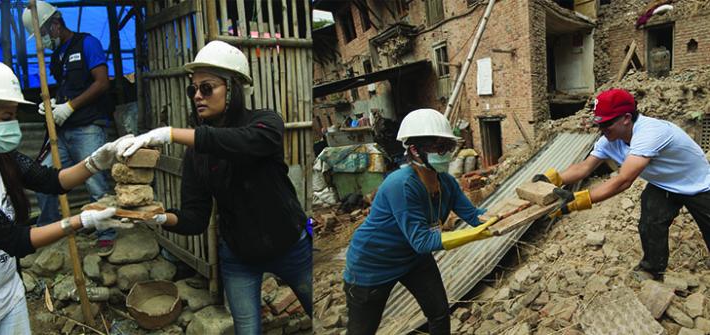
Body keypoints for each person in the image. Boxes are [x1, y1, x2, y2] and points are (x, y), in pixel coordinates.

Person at [115, 40, 312, 334]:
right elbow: (195, 218)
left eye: (206, 88)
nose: (197, 96)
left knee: (316, 309)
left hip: (289, 244)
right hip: (238, 255)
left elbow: (244, 142)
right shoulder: (197, 152)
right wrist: (158, 217)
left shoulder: (265, 123)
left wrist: (169, 133)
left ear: (232, 89)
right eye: (192, 89)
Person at [0, 59, 132, 334]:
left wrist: (96, 161)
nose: (15, 125)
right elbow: (15, 240)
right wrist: (82, 221)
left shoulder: (1, 157)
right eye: (6, 117)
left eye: (14, 115)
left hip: (10, 293)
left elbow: (53, 180)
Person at [534, 88, 710, 280]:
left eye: (607, 124)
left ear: (626, 118)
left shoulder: (650, 133)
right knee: (650, 222)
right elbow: (584, 167)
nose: (602, 130)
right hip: (664, 184)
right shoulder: (610, 139)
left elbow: (623, 181)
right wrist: (551, 179)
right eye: (599, 124)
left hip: (698, 185)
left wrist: (576, 201)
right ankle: (652, 269)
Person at [342, 108, 490, 335]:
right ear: (414, 150)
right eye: (439, 148)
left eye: (449, 147)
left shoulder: (447, 183)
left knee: (439, 313)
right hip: (372, 265)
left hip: (413, 259)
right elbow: (422, 241)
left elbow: (474, 216)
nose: (446, 154)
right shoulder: (401, 184)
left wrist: (500, 219)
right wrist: (475, 235)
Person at [22, 1, 116, 251]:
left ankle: (106, 230)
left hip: (87, 126)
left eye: (43, 33)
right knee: (42, 178)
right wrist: (53, 104)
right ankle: (50, 228)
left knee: (95, 181)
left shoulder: (87, 43)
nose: (42, 40)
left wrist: (70, 107)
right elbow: (65, 87)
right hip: (61, 132)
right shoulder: (57, 56)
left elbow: (102, 83)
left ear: (55, 25)